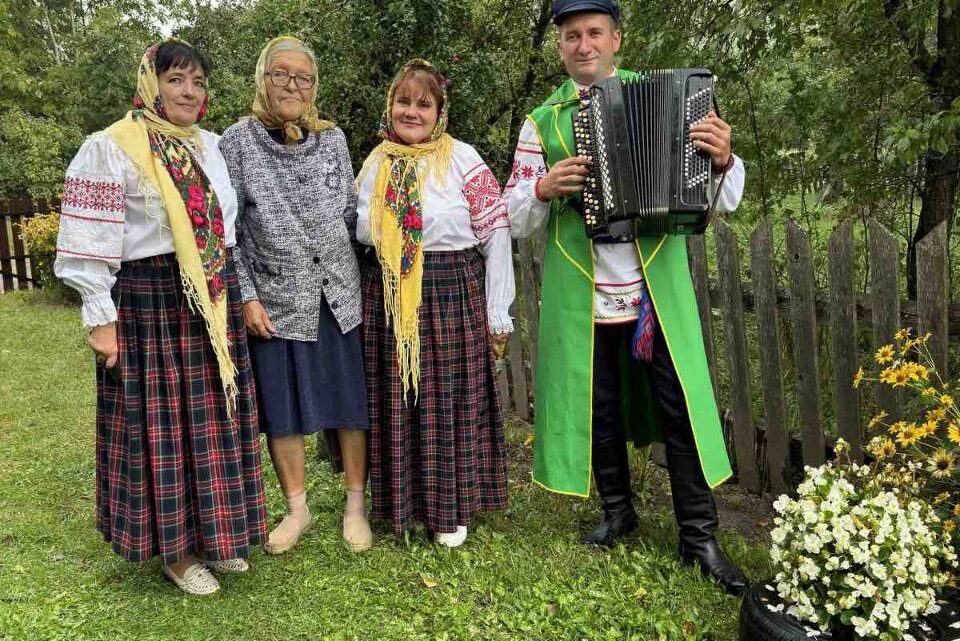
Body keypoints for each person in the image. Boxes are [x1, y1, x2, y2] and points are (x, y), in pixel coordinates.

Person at [503, 0, 749, 595]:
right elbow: (513, 217)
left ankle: (700, 535)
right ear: (559, 47)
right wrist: (542, 186)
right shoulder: (542, 122)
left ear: (616, 40)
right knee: (601, 408)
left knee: (681, 408)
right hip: (583, 294)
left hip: (653, 292)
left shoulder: (673, 97)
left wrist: (722, 157)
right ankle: (618, 512)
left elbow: (727, 196)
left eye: (594, 33)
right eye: (571, 36)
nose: (583, 45)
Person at [54, 39, 267, 596]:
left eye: (197, 82)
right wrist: (101, 320)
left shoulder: (211, 148)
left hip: (211, 296)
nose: (189, 93)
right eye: (176, 80)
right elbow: (87, 243)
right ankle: (174, 552)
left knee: (213, 420)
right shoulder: (111, 148)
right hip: (148, 299)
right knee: (162, 428)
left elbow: (225, 231)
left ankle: (217, 535)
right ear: (151, 84)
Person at [219, 36, 372, 554]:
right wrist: (246, 297)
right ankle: (298, 510)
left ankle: (355, 506)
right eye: (281, 74)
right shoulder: (236, 142)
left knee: (350, 403)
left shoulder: (333, 139)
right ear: (262, 78)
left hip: (337, 290)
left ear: (314, 87)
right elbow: (228, 229)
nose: (292, 85)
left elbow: (354, 214)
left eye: (303, 78)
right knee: (281, 409)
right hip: (275, 296)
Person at [357, 59, 514, 547]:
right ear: (391, 106)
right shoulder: (376, 162)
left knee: (448, 398)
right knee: (399, 395)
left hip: (451, 290)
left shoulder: (465, 160)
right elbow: (359, 227)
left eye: (423, 104)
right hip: (390, 292)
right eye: (403, 101)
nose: (411, 111)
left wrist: (497, 310)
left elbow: (497, 231)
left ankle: (450, 508)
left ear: (439, 112)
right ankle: (399, 502)